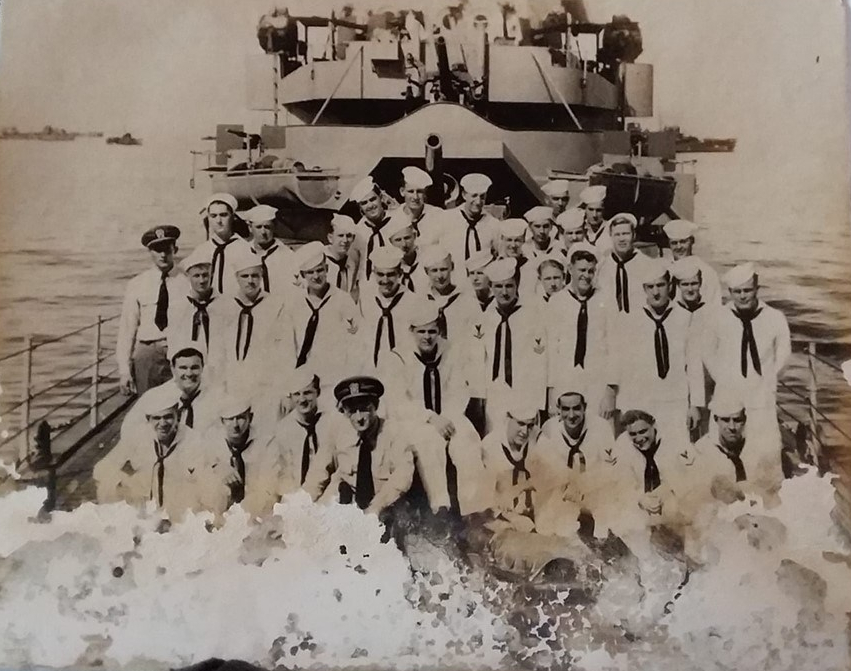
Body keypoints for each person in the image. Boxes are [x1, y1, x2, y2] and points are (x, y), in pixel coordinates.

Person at [383, 302, 486, 516]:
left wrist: (447, 418)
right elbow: (398, 401)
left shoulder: (451, 350)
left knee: (467, 440)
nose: (427, 337)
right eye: (421, 332)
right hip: (415, 419)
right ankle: (441, 509)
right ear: (412, 331)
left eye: (432, 331)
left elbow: (459, 390)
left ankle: (474, 510)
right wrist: (430, 417)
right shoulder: (397, 356)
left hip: (449, 415)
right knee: (429, 443)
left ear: (439, 331)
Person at [605, 258, 705, 446]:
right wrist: (619, 400)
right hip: (641, 399)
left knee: (676, 449)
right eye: (650, 287)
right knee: (640, 450)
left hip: (674, 401)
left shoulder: (685, 318)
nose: (656, 292)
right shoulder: (631, 320)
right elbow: (618, 361)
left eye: (660, 285)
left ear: (670, 286)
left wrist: (695, 405)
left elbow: (694, 364)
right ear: (644, 289)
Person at [705, 263, 791, 455]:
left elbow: (783, 355)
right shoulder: (718, 317)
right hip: (727, 392)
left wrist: (768, 379)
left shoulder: (774, 317)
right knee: (721, 451)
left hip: (761, 393)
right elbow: (708, 352)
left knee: (764, 450)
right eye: (737, 291)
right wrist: (723, 379)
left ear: (756, 289)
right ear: (730, 292)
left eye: (747, 290)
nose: (742, 296)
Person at [304, 376, 416, 521]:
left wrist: (375, 509)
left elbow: (402, 476)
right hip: (348, 500)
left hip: (385, 504)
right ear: (344, 411)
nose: (358, 418)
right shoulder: (338, 432)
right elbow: (317, 473)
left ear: (375, 406)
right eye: (352, 411)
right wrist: (297, 508)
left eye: (364, 409)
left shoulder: (394, 432)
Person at [94, 384, 209, 520]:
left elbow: (204, 478)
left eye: (168, 417)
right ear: (148, 419)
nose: (163, 423)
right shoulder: (138, 436)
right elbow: (101, 468)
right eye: (156, 418)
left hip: (179, 503)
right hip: (144, 501)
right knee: (106, 486)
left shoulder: (192, 439)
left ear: (177, 416)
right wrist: (123, 482)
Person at [472, 258, 548, 431]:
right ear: (491, 287)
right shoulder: (485, 317)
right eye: (498, 286)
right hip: (494, 391)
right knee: (495, 435)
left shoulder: (532, 315)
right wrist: (479, 396)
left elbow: (540, 360)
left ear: (517, 286)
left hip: (524, 389)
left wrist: (538, 402)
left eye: (509, 286)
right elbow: (477, 358)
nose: (504, 292)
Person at [206, 245, 285, 405]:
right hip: (232, 382)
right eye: (245, 276)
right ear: (236, 277)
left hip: (264, 384)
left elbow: (283, 351)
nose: (250, 281)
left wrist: (281, 389)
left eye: (255, 275)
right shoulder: (223, 306)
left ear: (262, 276)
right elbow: (216, 351)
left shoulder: (275, 305)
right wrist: (217, 388)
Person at [117, 224, 190, 396]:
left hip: (180, 351)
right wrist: (124, 371)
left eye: (167, 249)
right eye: (158, 250)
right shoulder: (137, 284)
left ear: (175, 249)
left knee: (182, 401)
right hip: (147, 354)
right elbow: (127, 330)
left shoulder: (188, 282)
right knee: (147, 404)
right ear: (150, 252)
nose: (163, 255)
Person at [279, 242, 360, 392]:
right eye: (310, 272)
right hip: (303, 378)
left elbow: (354, 342)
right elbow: (287, 344)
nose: (316, 276)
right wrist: (289, 378)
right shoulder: (294, 303)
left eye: (320, 270)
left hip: (333, 378)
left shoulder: (343, 300)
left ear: (327, 269)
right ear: (303, 275)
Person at [536, 386, 617, 532]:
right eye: (566, 409)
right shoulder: (549, 428)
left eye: (576, 408)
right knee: (547, 526)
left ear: (584, 407)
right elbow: (545, 468)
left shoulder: (601, 427)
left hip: (594, 490)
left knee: (605, 526)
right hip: (564, 491)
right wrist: (567, 484)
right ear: (558, 409)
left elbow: (609, 469)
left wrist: (584, 485)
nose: (571, 415)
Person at [546, 242, 611, 415]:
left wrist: (610, 392)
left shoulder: (605, 300)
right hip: (565, 377)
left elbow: (614, 346)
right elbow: (552, 348)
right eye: (581, 270)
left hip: (597, 378)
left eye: (591, 271)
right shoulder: (557, 301)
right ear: (570, 269)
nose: (586, 276)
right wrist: (551, 391)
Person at [202, 394, 282, 518]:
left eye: (240, 418)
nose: (235, 425)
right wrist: (217, 466)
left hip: (257, 511)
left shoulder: (266, 443)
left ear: (250, 417)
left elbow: (268, 487)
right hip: (221, 512)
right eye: (230, 419)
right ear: (222, 421)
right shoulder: (211, 440)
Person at [694, 393, 784, 500]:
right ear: (716, 419)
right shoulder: (702, 450)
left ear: (745, 420)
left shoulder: (756, 447)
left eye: (737, 420)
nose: (732, 427)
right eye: (725, 420)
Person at [121, 343, 219, 439]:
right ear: (172, 369)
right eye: (183, 368)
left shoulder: (215, 397)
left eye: (194, 368)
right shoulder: (155, 396)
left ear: (202, 368)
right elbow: (128, 430)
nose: (189, 373)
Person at [271, 369, 342, 497]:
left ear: (318, 392)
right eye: (297, 394)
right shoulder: (283, 429)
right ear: (291, 397)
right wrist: (294, 499)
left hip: (330, 493)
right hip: (296, 495)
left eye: (307, 393)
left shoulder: (331, 421)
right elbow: (283, 473)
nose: (302, 399)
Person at [358, 246, 418, 378]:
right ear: (373, 273)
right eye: (380, 274)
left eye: (390, 275)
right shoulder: (366, 299)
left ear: (400, 274)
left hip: (403, 371)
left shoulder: (413, 301)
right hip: (370, 369)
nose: (385, 280)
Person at [596, 213, 656, 318]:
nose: (621, 239)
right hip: (610, 322)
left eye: (625, 234)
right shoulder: (602, 266)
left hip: (640, 322)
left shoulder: (647, 264)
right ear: (611, 236)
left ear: (634, 235)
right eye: (617, 234)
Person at [193, 193, 252, 297]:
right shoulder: (201, 251)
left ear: (232, 217)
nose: (218, 221)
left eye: (223, 215)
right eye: (213, 216)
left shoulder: (245, 249)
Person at [167, 246, 218, 359]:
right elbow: (173, 342)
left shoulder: (223, 304)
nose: (202, 280)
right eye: (196, 276)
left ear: (212, 275)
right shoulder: (178, 306)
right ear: (188, 277)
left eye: (205, 275)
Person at [421, 245, 479, 339]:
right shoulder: (419, 301)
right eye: (434, 270)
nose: (440, 276)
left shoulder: (468, 301)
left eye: (443, 269)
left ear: (452, 267)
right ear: (426, 271)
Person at [441, 173, 500, 263]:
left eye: (482, 197)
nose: (478, 202)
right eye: (474, 196)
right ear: (464, 195)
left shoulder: (493, 224)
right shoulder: (446, 219)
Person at [663, 219, 721, 306]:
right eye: (674, 243)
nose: (679, 247)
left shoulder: (706, 272)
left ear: (692, 241)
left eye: (683, 242)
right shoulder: (665, 270)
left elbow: (714, 305)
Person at [244, 204, 297, 297]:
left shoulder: (287, 255)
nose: (263, 232)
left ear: (274, 227)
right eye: (258, 227)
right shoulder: (242, 253)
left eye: (267, 227)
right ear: (250, 228)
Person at [350, 176, 393, 283]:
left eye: (373, 199)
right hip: (368, 284)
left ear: (381, 198)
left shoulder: (396, 221)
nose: (370, 205)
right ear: (360, 208)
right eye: (364, 203)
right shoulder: (357, 231)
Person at [397, 165, 445, 245]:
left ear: (425, 193)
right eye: (411, 191)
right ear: (402, 191)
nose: (415, 197)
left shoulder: (437, 215)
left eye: (419, 192)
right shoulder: (394, 217)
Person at [384, 210, 428, 293]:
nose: (404, 244)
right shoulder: (388, 267)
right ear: (391, 242)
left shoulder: (427, 260)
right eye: (398, 240)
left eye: (407, 238)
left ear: (414, 236)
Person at [496, 218, 537, 301]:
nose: (513, 245)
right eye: (509, 240)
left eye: (517, 240)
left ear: (523, 241)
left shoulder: (530, 265)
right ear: (502, 240)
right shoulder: (497, 265)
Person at [324, 213, 361, 299]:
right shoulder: (320, 260)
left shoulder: (351, 263)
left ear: (353, 238)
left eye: (349, 236)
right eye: (340, 235)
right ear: (330, 238)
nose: (345, 240)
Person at [579, 185, 609, 250]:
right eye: (591, 209)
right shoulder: (579, 228)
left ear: (604, 211)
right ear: (585, 210)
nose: (594, 215)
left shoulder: (609, 228)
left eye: (598, 210)